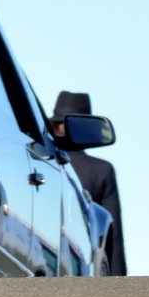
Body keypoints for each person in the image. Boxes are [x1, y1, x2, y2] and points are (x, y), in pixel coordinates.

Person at [50, 91, 127, 276]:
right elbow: (113, 236)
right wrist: (119, 282)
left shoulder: (42, 161)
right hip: (81, 263)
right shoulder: (101, 170)